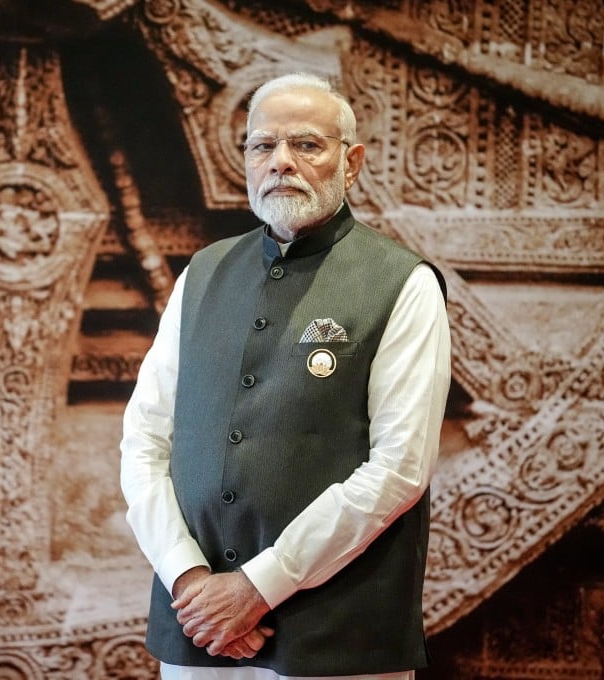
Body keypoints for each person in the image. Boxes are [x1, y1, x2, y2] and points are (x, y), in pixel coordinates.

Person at [119, 72, 452, 679]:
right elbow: (144, 440)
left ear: (351, 164)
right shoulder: (202, 274)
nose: (280, 163)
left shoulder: (403, 283)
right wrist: (189, 577)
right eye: (262, 146)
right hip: (199, 628)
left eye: (306, 145)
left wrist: (257, 587)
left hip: (338, 634)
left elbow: (401, 468)